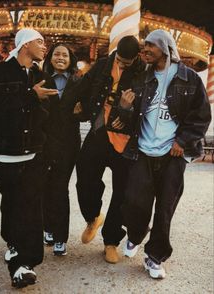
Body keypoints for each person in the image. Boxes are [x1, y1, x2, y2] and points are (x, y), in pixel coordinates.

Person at [119, 29, 211, 278]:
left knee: (165, 209)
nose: (145, 50)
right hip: (143, 151)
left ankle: (155, 257)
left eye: (150, 45)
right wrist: (125, 108)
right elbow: (128, 118)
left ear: (165, 48)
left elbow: (201, 116)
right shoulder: (141, 78)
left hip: (172, 154)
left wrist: (183, 140)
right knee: (135, 202)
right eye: (144, 46)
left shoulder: (189, 78)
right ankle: (136, 234)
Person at [0, 28, 58, 288]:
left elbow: (47, 117)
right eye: (40, 41)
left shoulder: (42, 77)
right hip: (6, 154)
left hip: (34, 155)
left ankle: (24, 265)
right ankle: (12, 241)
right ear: (25, 44)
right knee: (13, 205)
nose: (44, 46)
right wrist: (29, 97)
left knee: (30, 209)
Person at [75, 35, 145, 264]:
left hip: (125, 140)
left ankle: (111, 242)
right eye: (121, 60)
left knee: (121, 194)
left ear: (136, 57)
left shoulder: (143, 71)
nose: (123, 65)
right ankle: (93, 216)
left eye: (128, 62)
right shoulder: (104, 63)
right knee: (84, 178)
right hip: (99, 132)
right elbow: (86, 87)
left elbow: (145, 107)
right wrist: (80, 108)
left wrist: (125, 110)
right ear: (116, 53)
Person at [42, 43, 83, 256]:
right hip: (45, 142)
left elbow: (86, 108)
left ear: (70, 59)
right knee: (45, 186)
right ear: (50, 58)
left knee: (60, 188)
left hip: (68, 143)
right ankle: (47, 227)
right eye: (56, 54)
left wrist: (80, 113)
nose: (60, 57)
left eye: (64, 55)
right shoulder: (40, 79)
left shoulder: (78, 82)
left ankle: (60, 237)